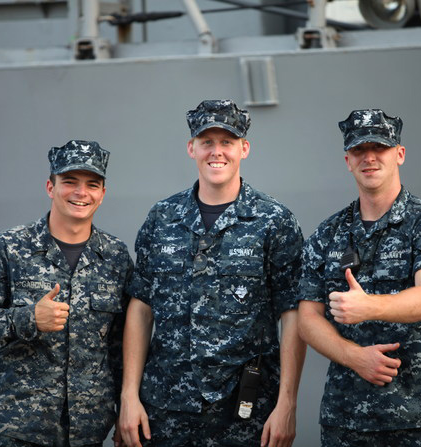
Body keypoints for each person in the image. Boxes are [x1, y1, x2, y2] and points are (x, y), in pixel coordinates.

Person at [119, 100, 306, 447]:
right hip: (166, 409)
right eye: (207, 142)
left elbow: (292, 313)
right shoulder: (162, 218)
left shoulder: (274, 221)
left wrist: (287, 403)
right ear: (191, 148)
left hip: (246, 412)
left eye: (227, 142)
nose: (216, 152)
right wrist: (129, 396)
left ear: (244, 149)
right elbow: (141, 308)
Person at [298, 109, 421, 446]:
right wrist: (354, 357)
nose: (369, 157)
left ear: (399, 154)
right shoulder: (328, 234)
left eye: (379, 147)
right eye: (359, 149)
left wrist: (368, 306)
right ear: (348, 160)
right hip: (347, 419)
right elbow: (307, 318)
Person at [0, 140, 133, 447]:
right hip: (17, 428)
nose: (81, 193)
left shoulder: (115, 256)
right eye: (70, 182)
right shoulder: (8, 247)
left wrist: (124, 409)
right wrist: (28, 319)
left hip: (88, 431)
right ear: (50, 187)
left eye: (92, 185)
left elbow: (120, 344)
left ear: (102, 194)